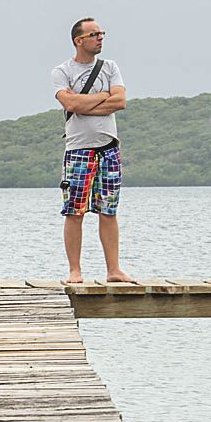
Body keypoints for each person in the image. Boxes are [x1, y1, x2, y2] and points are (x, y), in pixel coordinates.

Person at [52, 17, 133, 284]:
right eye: (94, 34)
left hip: (109, 147)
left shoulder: (110, 67)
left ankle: (114, 270)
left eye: (102, 33)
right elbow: (70, 104)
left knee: (108, 210)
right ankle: (75, 271)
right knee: (74, 210)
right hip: (78, 149)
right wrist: (102, 97)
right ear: (79, 40)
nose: (100, 38)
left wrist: (85, 102)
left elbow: (120, 101)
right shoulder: (62, 71)